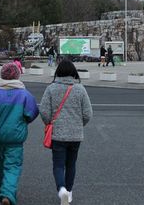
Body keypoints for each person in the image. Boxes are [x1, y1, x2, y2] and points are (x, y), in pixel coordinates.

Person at [39, 59, 93, 205]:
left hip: (57, 134)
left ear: (58, 72)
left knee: (58, 165)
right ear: (73, 72)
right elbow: (88, 113)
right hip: (75, 135)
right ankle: (68, 193)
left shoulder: (51, 88)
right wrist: (78, 124)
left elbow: (43, 111)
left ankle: (61, 189)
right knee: (71, 164)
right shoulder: (80, 89)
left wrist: (49, 122)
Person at [0, 63, 39, 205]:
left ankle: (2, 189)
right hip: (15, 137)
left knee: (0, 165)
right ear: (17, 75)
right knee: (12, 166)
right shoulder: (25, 95)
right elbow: (32, 113)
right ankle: (7, 194)